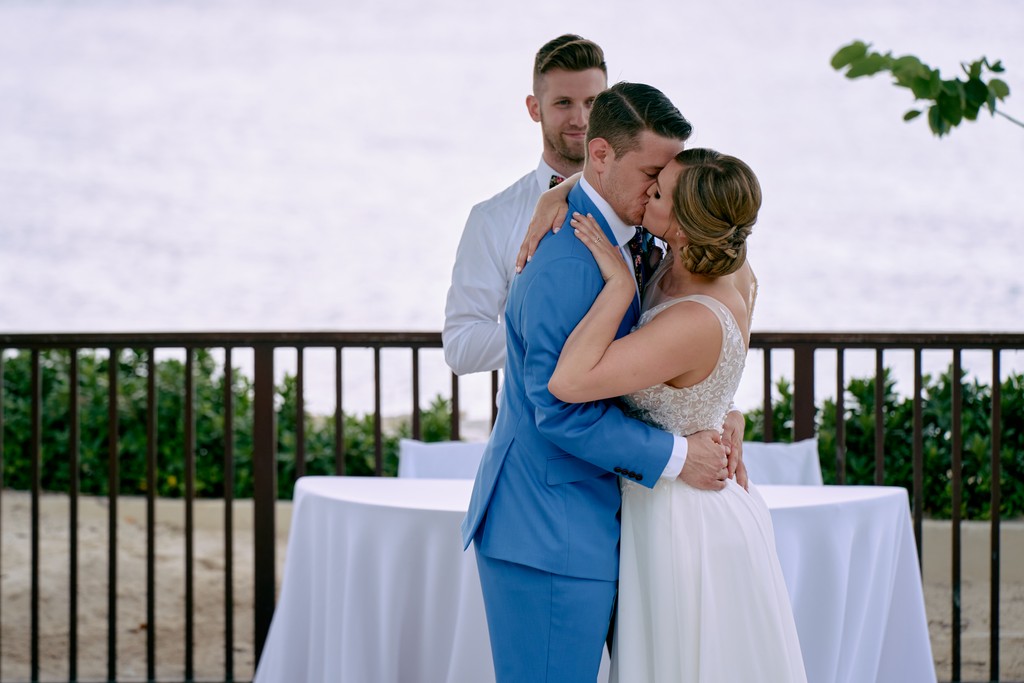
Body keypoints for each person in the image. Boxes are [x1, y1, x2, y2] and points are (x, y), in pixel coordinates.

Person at [460, 82, 744, 683]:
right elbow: (558, 410)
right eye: (652, 176)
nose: (662, 191)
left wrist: (719, 409)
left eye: (669, 176)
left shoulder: (636, 236)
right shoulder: (568, 263)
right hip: (548, 529)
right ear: (601, 156)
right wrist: (680, 455)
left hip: (609, 521)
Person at [548, 148, 807, 682]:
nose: (647, 191)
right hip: (670, 497)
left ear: (686, 227)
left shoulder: (692, 319)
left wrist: (620, 287)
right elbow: (722, 362)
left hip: (683, 520)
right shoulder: (726, 264)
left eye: (659, 192)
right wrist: (724, 406)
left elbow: (567, 382)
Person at [442, 34, 608, 376]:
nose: (580, 119)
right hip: (530, 409)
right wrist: (553, 334)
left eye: (592, 102)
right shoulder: (492, 219)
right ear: (535, 108)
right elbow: (461, 346)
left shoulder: (642, 205)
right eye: (564, 103)